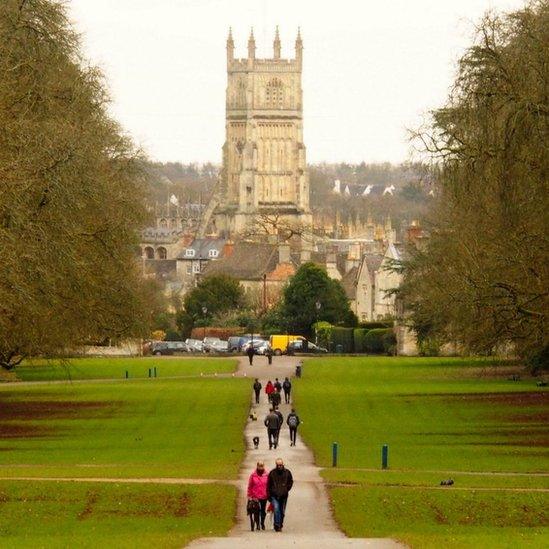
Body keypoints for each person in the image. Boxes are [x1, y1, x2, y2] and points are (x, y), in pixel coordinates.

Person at [267, 458, 293, 532]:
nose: (279, 466)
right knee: (276, 509)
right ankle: (277, 525)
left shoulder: (287, 472)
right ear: (276, 465)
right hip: (274, 495)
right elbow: (268, 485)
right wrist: (269, 495)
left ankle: (280, 524)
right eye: (278, 465)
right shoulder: (272, 473)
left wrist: (286, 489)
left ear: (283, 464)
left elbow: (290, 481)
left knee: (282, 511)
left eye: (280, 465)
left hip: (283, 496)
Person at [247, 460, 268, 531]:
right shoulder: (253, 475)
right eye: (259, 466)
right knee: (256, 511)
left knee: (263, 511)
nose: (261, 467)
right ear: (257, 466)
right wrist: (249, 496)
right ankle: (258, 524)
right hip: (255, 496)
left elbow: (269, 485)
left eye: (262, 466)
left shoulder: (267, 475)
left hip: (264, 496)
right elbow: (250, 486)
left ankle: (262, 523)